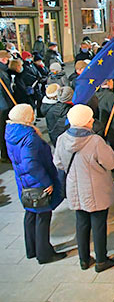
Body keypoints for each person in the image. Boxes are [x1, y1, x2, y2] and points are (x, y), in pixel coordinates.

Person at [54, 104, 114, 272]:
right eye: (90, 118)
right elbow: (111, 163)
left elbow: (58, 163)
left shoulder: (62, 139)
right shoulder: (95, 141)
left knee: (81, 222)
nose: (92, 120)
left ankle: (84, 259)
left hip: (75, 189)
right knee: (98, 224)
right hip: (96, 190)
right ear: (85, 122)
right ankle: (101, 260)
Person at [6, 104, 66, 265]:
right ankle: (44, 254)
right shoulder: (29, 137)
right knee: (43, 216)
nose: (33, 115)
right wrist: (47, 182)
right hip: (37, 182)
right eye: (31, 113)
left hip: (24, 182)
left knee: (30, 213)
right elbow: (30, 164)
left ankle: (31, 249)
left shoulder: (12, 131)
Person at [95, 79, 114, 172]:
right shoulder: (110, 96)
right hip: (112, 124)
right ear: (108, 83)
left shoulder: (97, 95)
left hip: (101, 124)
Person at [0, 50, 14, 162]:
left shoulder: (3, 71)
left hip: (5, 105)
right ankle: (4, 154)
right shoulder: (1, 72)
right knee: (3, 130)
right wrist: (6, 106)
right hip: (3, 107)